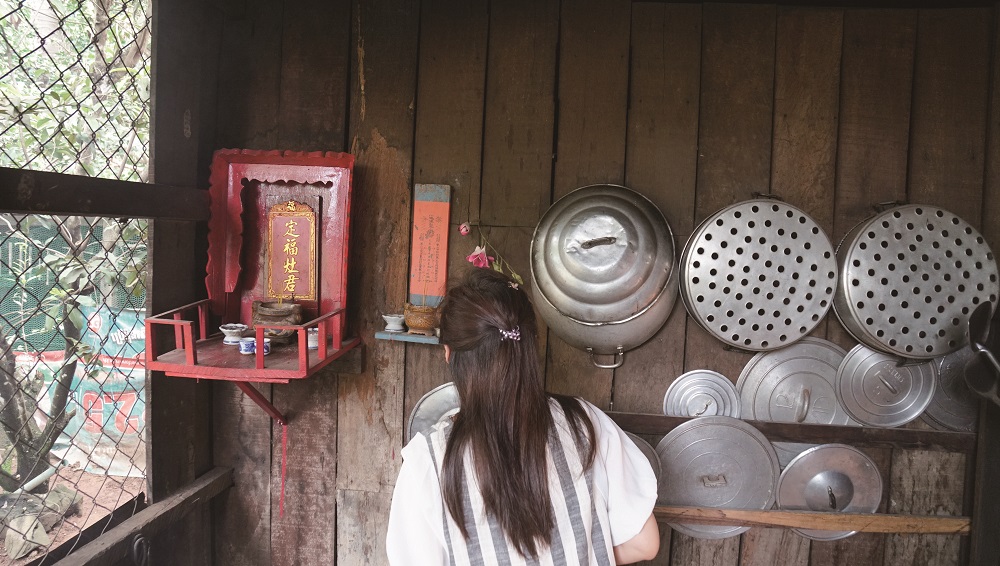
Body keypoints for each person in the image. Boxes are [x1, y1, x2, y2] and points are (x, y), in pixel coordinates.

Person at [387, 268, 659, 565]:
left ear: (449, 354)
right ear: (529, 346)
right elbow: (644, 544)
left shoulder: (427, 461)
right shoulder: (584, 423)